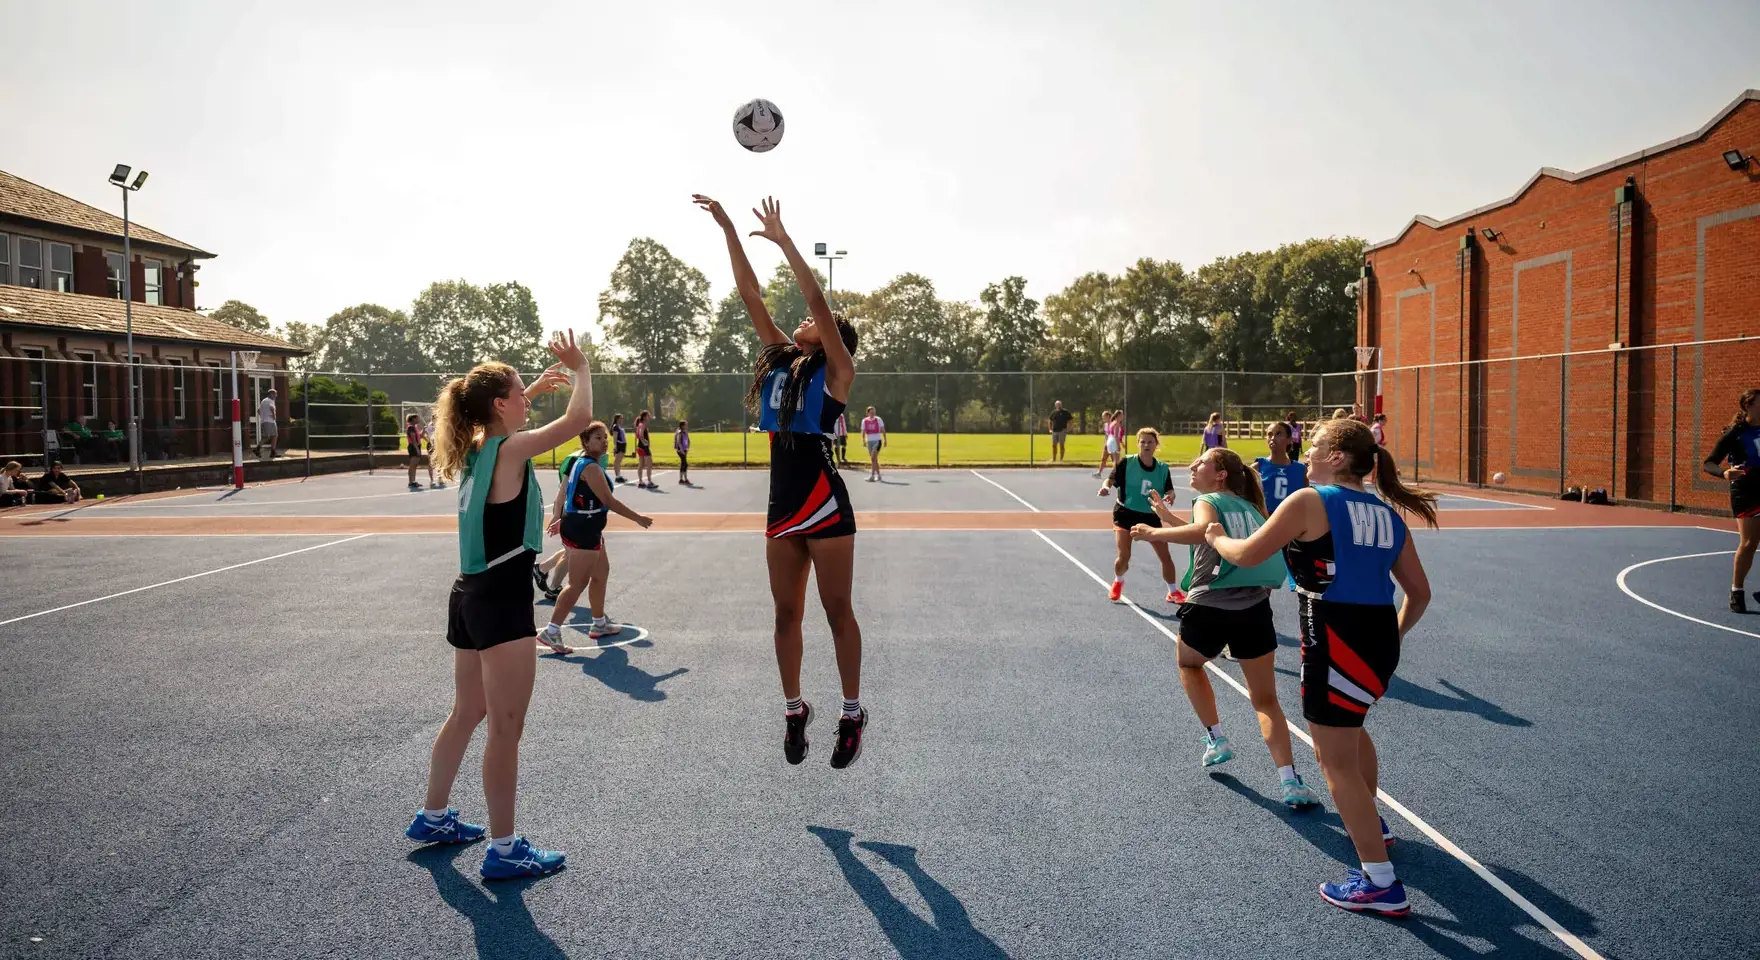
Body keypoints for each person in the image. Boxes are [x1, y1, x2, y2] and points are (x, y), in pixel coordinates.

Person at [1204, 417, 1437, 916]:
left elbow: (1246, 555)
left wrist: (1215, 536)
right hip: (1375, 636)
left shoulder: (1312, 502)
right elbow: (1419, 594)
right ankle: (1373, 825)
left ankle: (1380, 884)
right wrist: (1391, 636)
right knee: (1352, 731)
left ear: (1336, 457)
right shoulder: (1387, 515)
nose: (1305, 454)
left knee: (1334, 763)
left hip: (1335, 635)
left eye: (1313, 447)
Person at [404, 331, 587, 881]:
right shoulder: (504, 448)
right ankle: (506, 849)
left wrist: (522, 389)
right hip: (502, 598)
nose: (528, 401)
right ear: (499, 406)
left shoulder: (476, 449)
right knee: (505, 725)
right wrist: (581, 370)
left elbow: (497, 427)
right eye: (520, 395)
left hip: (468, 593)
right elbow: (576, 424)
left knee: (468, 713)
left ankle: (434, 816)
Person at [697, 192, 867, 769]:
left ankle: (851, 711)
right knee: (784, 616)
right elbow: (750, 294)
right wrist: (728, 230)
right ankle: (794, 709)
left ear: (829, 334)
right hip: (782, 503)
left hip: (822, 500)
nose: (799, 323)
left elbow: (816, 300)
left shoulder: (837, 371)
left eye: (813, 324)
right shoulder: (778, 361)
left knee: (837, 610)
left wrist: (786, 240)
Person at [1133, 449, 1320, 808]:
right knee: (1266, 700)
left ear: (1219, 475)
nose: (1191, 465)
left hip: (1210, 604)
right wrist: (1169, 517)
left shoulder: (1208, 500)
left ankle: (1216, 738)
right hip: (1254, 608)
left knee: (1189, 664)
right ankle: (1289, 780)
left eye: (1200, 462)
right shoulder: (1251, 508)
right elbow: (1209, 536)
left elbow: (1204, 531)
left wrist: (1153, 532)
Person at [539, 422, 654, 653]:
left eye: (605, 437)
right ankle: (551, 632)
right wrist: (637, 518)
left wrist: (565, 517)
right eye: (598, 438)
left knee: (601, 575)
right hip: (583, 530)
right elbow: (609, 501)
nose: (604, 441)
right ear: (585, 442)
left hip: (586, 526)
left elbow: (574, 495)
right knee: (576, 584)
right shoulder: (590, 467)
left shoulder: (581, 462)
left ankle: (599, 624)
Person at [1097, 427, 1182, 604]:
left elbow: (1170, 490)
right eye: (1142, 442)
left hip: (1150, 516)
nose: (1146, 445)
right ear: (1138, 444)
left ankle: (1173, 591)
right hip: (1125, 513)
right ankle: (1118, 581)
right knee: (1124, 557)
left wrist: (1170, 496)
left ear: (1156, 445)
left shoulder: (1163, 469)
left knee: (1165, 556)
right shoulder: (1127, 463)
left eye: (1150, 442)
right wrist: (1105, 487)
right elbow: (1110, 480)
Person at [1703, 387, 1760, 612]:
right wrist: (1724, 473)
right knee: (1749, 543)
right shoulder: (1735, 433)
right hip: (1745, 491)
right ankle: (1737, 590)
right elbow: (1709, 462)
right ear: (1749, 405)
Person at [1256, 421, 1308, 591]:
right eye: (1269, 434)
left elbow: (1307, 500)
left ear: (1289, 440)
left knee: (1302, 580)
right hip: (1266, 524)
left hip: (1291, 527)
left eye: (1278, 434)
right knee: (1265, 580)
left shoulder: (1301, 470)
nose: (1272, 438)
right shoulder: (1258, 467)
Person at [406, 414, 434, 490]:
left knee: (415, 465)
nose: (418, 420)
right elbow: (414, 440)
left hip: (417, 447)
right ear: (413, 419)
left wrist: (424, 431)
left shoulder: (415, 427)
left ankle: (413, 481)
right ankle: (410, 481)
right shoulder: (411, 428)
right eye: (417, 418)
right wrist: (417, 449)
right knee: (412, 465)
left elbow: (420, 436)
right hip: (413, 447)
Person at [861, 406, 885, 482]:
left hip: (877, 440)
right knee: (874, 460)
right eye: (871, 412)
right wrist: (863, 441)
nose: (873, 413)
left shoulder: (878, 419)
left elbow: (883, 429)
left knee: (873, 458)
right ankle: (879, 475)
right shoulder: (864, 421)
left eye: (874, 412)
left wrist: (885, 440)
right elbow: (863, 431)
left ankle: (872, 476)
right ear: (868, 413)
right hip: (869, 441)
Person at [1094, 410, 1120, 478]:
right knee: (1103, 458)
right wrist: (1106, 443)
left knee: (1115, 460)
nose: (1103, 419)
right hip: (1107, 443)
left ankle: (1117, 474)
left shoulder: (1113, 424)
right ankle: (1099, 472)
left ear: (1108, 416)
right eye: (1102, 417)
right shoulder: (1105, 425)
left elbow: (1116, 435)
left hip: (1112, 444)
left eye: (1104, 417)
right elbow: (1106, 435)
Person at [633, 411, 654, 489]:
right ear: (645, 417)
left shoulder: (640, 424)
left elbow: (638, 434)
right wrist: (644, 441)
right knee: (649, 464)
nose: (649, 417)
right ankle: (649, 481)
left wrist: (642, 440)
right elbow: (640, 434)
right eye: (648, 416)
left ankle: (641, 482)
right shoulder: (642, 424)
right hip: (643, 447)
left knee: (641, 464)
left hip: (640, 446)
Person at [257, 389, 278, 458]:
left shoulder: (264, 400)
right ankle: (257, 449)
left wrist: (263, 416)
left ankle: (273, 452)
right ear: (271, 394)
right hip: (269, 421)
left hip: (269, 421)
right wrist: (274, 416)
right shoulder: (270, 400)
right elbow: (272, 408)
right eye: (275, 394)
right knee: (266, 437)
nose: (276, 396)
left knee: (275, 435)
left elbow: (258, 410)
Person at [610, 414, 628, 485]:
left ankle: (619, 475)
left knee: (619, 461)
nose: (622, 420)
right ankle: (617, 476)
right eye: (621, 418)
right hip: (619, 445)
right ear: (617, 419)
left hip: (623, 445)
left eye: (622, 418)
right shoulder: (615, 427)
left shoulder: (619, 427)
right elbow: (615, 437)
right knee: (617, 461)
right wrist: (615, 446)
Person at [674, 419, 692, 485]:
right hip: (680, 450)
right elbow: (678, 442)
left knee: (684, 463)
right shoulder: (679, 433)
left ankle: (682, 479)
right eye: (685, 424)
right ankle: (684, 479)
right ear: (682, 426)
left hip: (684, 449)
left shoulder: (685, 432)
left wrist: (687, 448)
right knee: (685, 463)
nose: (687, 425)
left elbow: (688, 440)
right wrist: (681, 450)